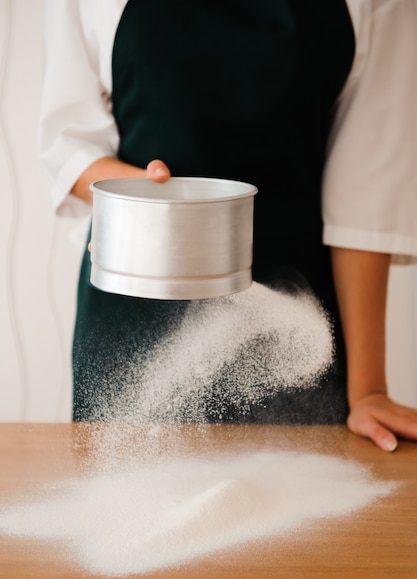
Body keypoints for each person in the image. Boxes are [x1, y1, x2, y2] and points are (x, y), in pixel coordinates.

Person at [39, 0, 417, 450]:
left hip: (296, 318)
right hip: (134, 296)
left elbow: (365, 199)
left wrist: (369, 389)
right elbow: (68, 142)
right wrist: (149, 200)